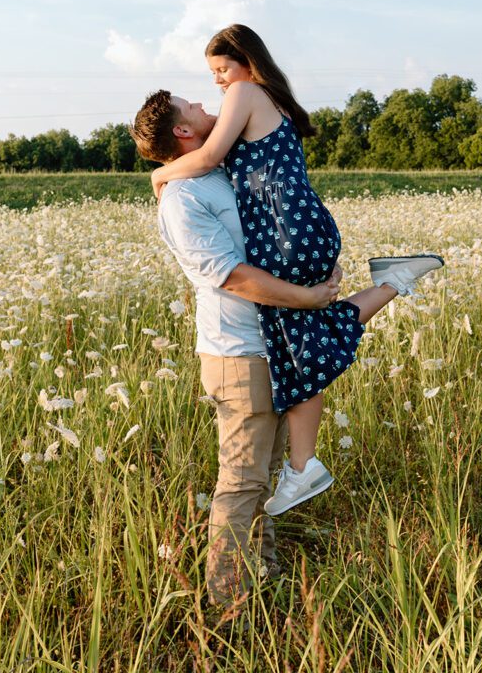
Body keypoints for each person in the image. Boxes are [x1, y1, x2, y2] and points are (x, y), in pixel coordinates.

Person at [146, 25, 444, 517]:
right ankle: (396, 280)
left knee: (307, 338)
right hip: (300, 227)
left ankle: (303, 466)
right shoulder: (258, 99)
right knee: (315, 332)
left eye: (221, 69)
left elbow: (208, 154)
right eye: (212, 77)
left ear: (246, 61)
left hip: (290, 231)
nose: (216, 86)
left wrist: (158, 174)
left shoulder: (245, 94)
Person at [131, 89, 342, 605]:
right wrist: (308, 298)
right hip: (237, 353)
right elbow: (231, 276)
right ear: (183, 132)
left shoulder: (217, 171)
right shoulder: (184, 199)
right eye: (194, 107)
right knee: (242, 481)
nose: (208, 107)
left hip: (270, 345)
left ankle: (262, 571)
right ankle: (229, 603)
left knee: (264, 474)